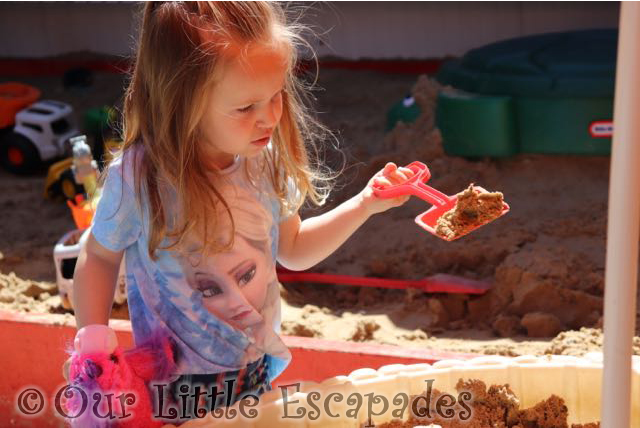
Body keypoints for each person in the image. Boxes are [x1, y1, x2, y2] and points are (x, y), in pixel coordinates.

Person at [66, 1, 414, 423]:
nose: (268, 117)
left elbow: (294, 248)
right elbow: (99, 255)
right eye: (246, 107)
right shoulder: (142, 178)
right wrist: (94, 343)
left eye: (277, 95)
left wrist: (364, 205)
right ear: (182, 101)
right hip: (176, 387)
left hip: (253, 371)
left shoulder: (263, 163)